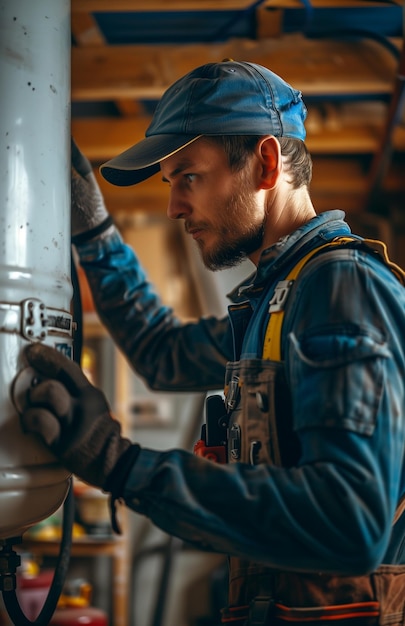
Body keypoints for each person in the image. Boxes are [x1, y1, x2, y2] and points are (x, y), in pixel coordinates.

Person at [21, 60, 405, 625]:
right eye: (170, 182)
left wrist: (119, 464)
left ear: (266, 163)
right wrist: (95, 232)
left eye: (188, 177)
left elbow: (348, 522)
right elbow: (163, 352)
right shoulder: (277, 298)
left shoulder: (340, 285)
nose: (174, 206)